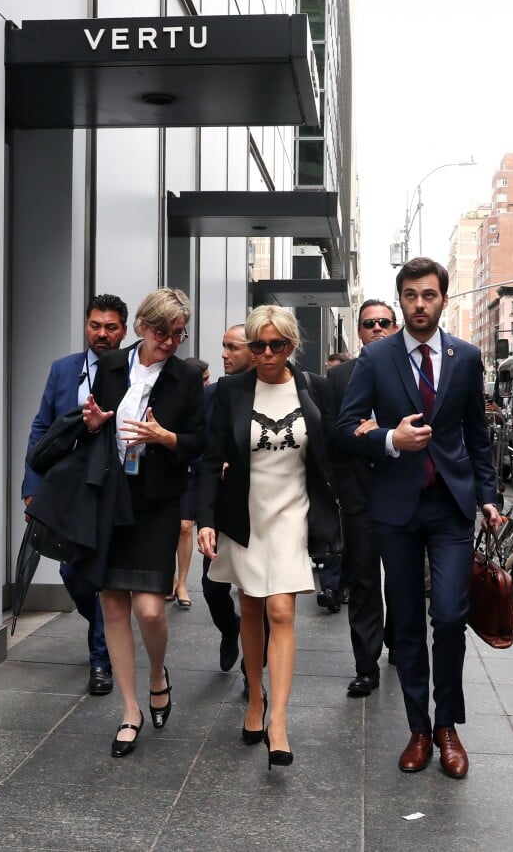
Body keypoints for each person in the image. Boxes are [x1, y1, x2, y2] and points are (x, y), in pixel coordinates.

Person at [336, 257, 502, 779]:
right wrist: (389, 439)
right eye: (410, 295)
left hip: (451, 505)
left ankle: (448, 725)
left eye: (428, 295)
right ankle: (419, 729)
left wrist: (489, 495)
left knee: (450, 617)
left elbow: (477, 435)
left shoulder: (466, 356)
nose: (419, 304)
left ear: (442, 300)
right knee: (406, 620)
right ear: (401, 298)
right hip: (396, 506)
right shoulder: (376, 358)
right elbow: (344, 429)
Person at [197, 306, 339, 770]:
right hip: (244, 512)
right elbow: (209, 456)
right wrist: (204, 519)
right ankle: (255, 698)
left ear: (292, 345)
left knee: (281, 608)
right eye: (257, 345)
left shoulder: (313, 387)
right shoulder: (231, 391)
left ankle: (278, 720)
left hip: (292, 512)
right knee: (251, 606)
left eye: (277, 345)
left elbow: (330, 448)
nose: (267, 353)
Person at [82, 288, 205, 757]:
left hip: (156, 502)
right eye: (162, 332)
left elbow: (199, 441)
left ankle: (157, 674)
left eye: (179, 334)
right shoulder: (112, 366)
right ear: (141, 327)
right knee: (113, 605)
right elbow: (95, 424)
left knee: (150, 609)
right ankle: (129, 710)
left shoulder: (186, 377)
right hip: (111, 499)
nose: (171, 341)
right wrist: (92, 423)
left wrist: (166, 437)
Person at [22, 293, 128, 696]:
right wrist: (32, 488)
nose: (101, 334)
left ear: (123, 329)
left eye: (110, 327)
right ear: (87, 326)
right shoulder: (64, 369)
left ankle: (101, 660)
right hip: (68, 490)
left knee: (103, 574)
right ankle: (103, 630)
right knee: (72, 573)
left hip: (114, 489)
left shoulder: (133, 372)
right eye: (95, 326)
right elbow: (41, 428)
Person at [328, 299, 398, 696]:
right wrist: (356, 434)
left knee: (401, 582)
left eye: (383, 322)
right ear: (358, 331)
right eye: (369, 323)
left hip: (404, 493)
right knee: (365, 581)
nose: (376, 328)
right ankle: (366, 665)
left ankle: (399, 645)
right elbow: (331, 439)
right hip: (357, 496)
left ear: (394, 326)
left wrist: (383, 430)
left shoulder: (410, 371)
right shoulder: (340, 379)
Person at [200, 325, 255, 677]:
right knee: (212, 586)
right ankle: (229, 629)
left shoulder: (275, 393)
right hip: (223, 507)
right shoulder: (213, 394)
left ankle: (254, 670)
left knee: (258, 592)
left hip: (263, 507)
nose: (224, 354)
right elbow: (201, 450)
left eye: (232, 347)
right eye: (223, 347)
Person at [166, 357, 211, 608]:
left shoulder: (211, 398)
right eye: (203, 380)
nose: (207, 384)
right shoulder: (176, 395)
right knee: (167, 526)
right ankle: (169, 577)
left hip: (195, 469)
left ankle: (182, 582)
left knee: (185, 526)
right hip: (171, 467)